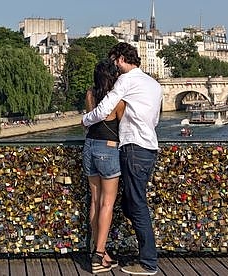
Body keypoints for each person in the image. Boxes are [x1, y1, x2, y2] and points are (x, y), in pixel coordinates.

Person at [82, 42, 162, 276]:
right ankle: (106, 252)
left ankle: (147, 262)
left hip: (131, 147)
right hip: (148, 146)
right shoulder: (154, 84)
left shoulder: (125, 81)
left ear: (119, 58)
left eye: (115, 60)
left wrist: (85, 121)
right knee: (132, 203)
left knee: (133, 205)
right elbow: (155, 119)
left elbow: (103, 108)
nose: (115, 67)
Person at [82, 59, 126, 274]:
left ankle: (102, 251)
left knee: (95, 201)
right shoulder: (117, 100)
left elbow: (90, 120)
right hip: (108, 150)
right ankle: (98, 255)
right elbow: (124, 126)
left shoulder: (90, 94)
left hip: (89, 146)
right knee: (107, 204)